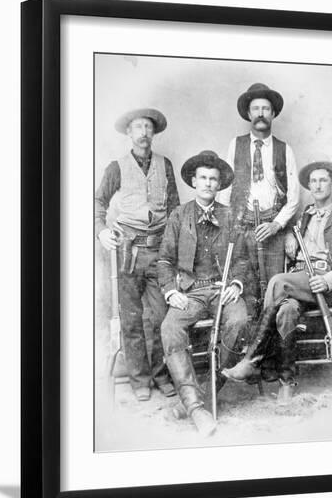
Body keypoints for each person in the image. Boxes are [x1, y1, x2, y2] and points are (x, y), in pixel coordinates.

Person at [222, 160, 332, 401]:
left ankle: (253, 359)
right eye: (313, 181)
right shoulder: (306, 216)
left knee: (278, 282)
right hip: (300, 283)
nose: (318, 185)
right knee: (286, 311)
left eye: (323, 180)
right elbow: (297, 241)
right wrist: (292, 234)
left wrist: (328, 281)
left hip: (322, 284)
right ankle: (286, 382)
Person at [158, 151, 249, 436]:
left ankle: (201, 397)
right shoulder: (179, 215)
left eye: (214, 179)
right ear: (194, 182)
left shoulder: (230, 215)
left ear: (219, 184)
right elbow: (164, 260)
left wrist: (235, 284)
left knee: (238, 321)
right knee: (170, 328)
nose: (208, 183)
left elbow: (242, 260)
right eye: (203, 178)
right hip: (192, 292)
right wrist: (171, 291)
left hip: (222, 289)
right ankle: (197, 408)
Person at [95, 108, 180, 402]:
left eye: (148, 127)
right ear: (129, 133)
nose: (143, 132)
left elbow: (175, 209)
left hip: (159, 251)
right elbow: (98, 202)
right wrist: (101, 231)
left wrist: (173, 247)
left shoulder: (164, 164)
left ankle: (160, 375)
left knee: (160, 316)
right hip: (128, 251)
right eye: (138, 127)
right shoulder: (116, 167)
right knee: (131, 319)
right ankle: (139, 380)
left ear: (153, 133)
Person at [218, 82, 300, 303]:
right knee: (246, 290)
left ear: (273, 114)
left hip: (272, 230)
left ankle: (272, 338)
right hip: (243, 229)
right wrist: (227, 228)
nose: (260, 113)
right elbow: (225, 189)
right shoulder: (236, 145)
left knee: (274, 292)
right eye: (256, 109)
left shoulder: (285, 149)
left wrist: (277, 225)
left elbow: (294, 197)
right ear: (248, 113)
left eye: (265, 109)